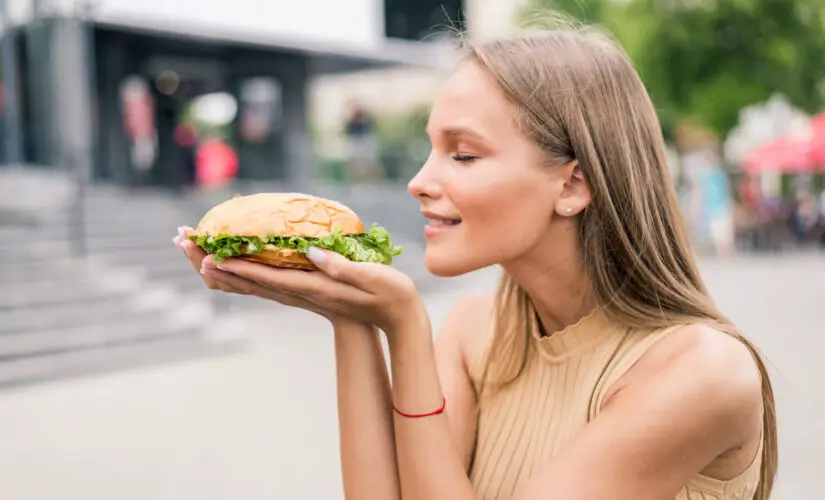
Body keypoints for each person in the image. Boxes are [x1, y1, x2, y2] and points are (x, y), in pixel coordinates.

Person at [174, 26, 776, 500]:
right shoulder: (473, 331)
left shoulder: (702, 374)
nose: (417, 182)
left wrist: (405, 327)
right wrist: (350, 318)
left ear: (573, 184)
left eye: (462, 155)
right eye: (430, 150)